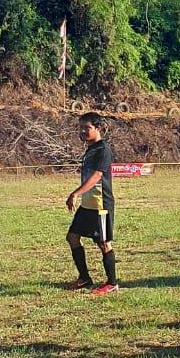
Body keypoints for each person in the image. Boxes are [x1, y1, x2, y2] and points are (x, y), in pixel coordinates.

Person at [63, 112, 118, 295]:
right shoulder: (91, 148)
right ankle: (84, 278)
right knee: (72, 237)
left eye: (87, 127)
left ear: (98, 128)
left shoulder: (104, 150)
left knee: (103, 243)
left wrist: (75, 193)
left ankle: (112, 283)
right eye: (81, 127)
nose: (83, 131)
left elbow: (97, 175)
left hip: (100, 204)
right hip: (88, 204)